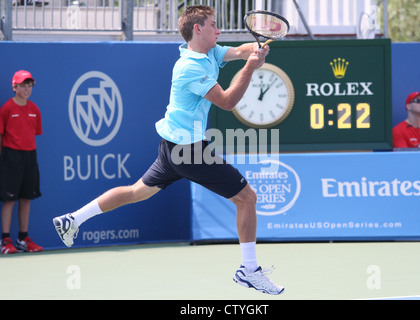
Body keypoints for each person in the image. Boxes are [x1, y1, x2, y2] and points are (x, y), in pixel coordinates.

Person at [53, 5, 284, 295]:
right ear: (197, 29)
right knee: (247, 198)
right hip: (188, 151)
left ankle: (73, 219)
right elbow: (226, 101)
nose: (219, 30)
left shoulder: (210, 52)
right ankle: (249, 270)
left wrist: (256, 49)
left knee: (136, 191)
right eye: (213, 24)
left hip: (171, 146)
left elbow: (240, 50)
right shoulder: (190, 67)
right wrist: (251, 66)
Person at [0, 70, 43, 254]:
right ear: (14, 87)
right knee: (10, 200)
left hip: (30, 157)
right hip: (11, 157)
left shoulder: (35, 109)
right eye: (23, 85)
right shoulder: (6, 109)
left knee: (27, 198)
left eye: (29, 85)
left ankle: (22, 238)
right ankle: (5, 240)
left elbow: (33, 134)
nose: (27, 88)